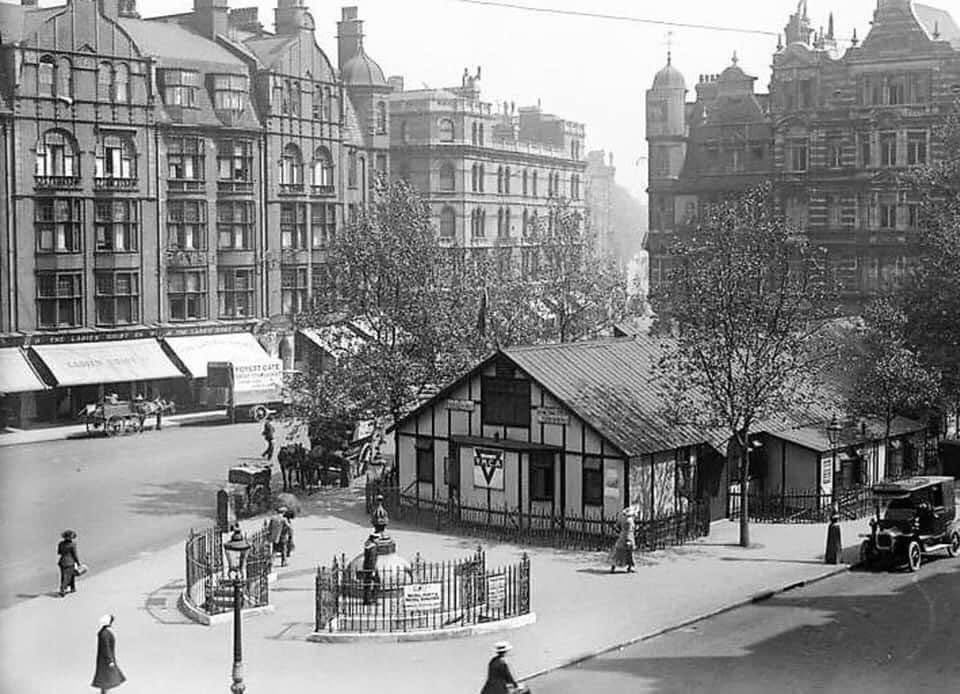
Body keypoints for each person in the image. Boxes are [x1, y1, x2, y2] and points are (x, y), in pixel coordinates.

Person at [92, 614, 126, 692]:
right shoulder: (105, 634)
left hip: (104, 660)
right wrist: (110, 661)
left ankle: (104, 692)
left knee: (106, 679)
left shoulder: (103, 632)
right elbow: (106, 648)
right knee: (108, 678)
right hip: (105, 661)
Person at [609, 506, 637, 573]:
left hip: (623, 536)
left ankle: (613, 566)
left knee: (619, 552)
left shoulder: (622, 518)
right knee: (629, 552)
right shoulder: (629, 520)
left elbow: (617, 526)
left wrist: (619, 531)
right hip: (628, 536)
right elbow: (630, 529)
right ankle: (629, 567)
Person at [57, 529, 81, 597]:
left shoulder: (60, 544)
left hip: (62, 561)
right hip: (70, 562)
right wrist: (78, 563)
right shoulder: (73, 544)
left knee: (65, 575)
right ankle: (63, 589)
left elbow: (59, 552)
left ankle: (72, 588)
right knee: (68, 576)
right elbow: (75, 555)